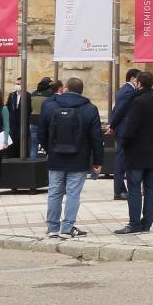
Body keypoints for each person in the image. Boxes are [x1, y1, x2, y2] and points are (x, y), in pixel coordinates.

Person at [39, 77, 103, 239]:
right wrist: (98, 161)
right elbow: (96, 138)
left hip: (55, 157)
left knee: (54, 192)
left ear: (65, 88)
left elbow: (41, 133)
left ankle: (53, 227)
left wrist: (50, 149)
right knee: (73, 194)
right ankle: (67, 228)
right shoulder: (90, 108)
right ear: (81, 90)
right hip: (79, 158)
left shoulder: (49, 105)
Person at [114, 71, 153, 234]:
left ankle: (134, 222)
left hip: (136, 151)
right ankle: (147, 222)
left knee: (135, 187)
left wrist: (124, 143)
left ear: (139, 84)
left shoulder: (138, 102)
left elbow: (131, 127)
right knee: (150, 188)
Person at [105, 69, 142, 200]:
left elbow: (116, 108)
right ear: (133, 79)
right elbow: (120, 110)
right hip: (124, 130)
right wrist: (113, 125)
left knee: (122, 159)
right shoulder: (130, 91)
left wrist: (111, 124)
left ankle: (121, 188)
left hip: (121, 129)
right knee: (121, 160)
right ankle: (119, 190)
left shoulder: (123, 90)